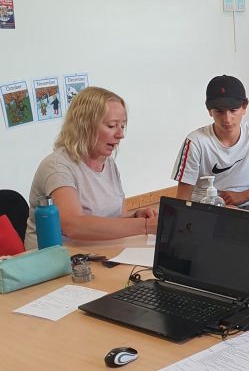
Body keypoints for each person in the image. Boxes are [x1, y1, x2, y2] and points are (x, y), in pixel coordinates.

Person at [25, 86, 158, 249]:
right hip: (57, 261)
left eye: (122, 126)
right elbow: (73, 225)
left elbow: (112, 221)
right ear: (84, 125)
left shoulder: (107, 163)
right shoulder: (57, 167)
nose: (120, 134)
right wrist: (144, 226)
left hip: (96, 251)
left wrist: (134, 218)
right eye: (112, 126)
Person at [172, 75, 249, 206]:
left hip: (247, 207)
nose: (227, 119)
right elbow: (182, 199)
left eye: (233, 110)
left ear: (244, 106)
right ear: (209, 111)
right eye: (219, 112)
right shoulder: (196, 141)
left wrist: (244, 196)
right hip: (205, 208)